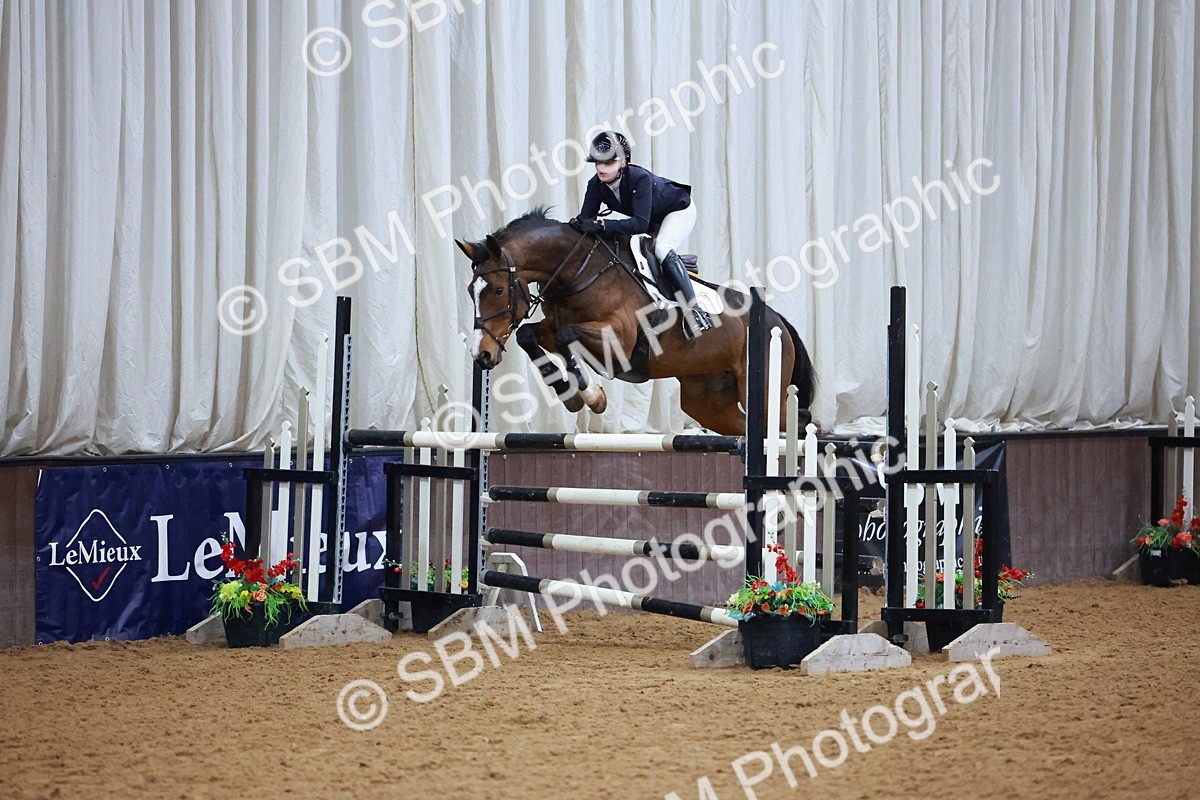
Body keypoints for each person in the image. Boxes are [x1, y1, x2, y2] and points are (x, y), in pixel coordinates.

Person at [570, 131, 712, 336]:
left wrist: (602, 224)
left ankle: (695, 310)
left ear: (623, 163)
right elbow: (586, 220)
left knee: (662, 248)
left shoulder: (640, 179)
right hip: (649, 218)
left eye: (608, 163)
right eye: (597, 163)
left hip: (677, 210)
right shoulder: (595, 185)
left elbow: (640, 224)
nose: (601, 168)